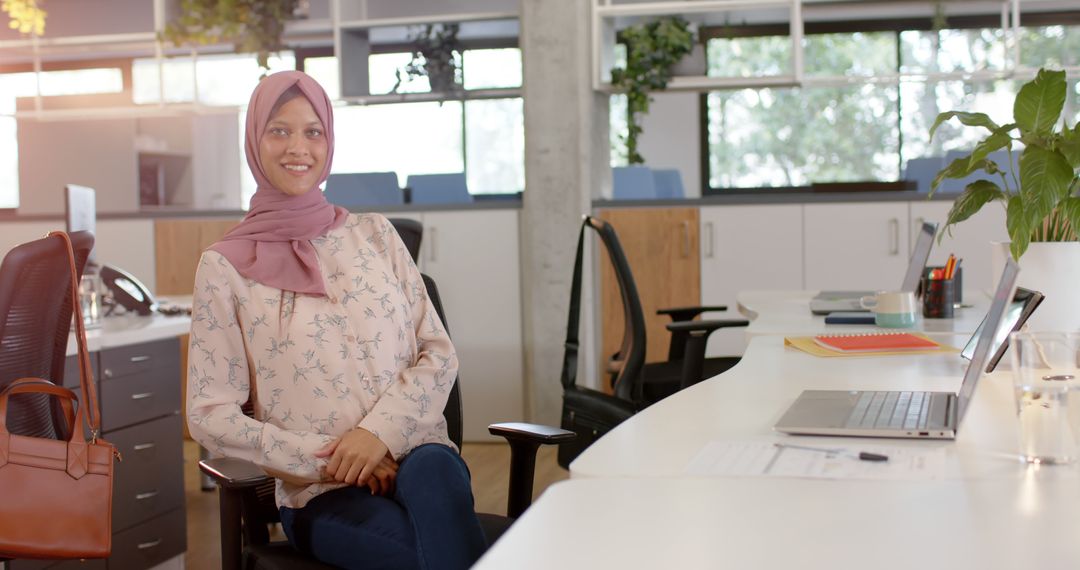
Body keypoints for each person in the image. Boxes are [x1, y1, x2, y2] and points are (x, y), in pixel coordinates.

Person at [186, 70, 487, 570]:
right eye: (278, 130)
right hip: (321, 490)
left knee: (435, 481)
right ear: (253, 140)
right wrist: (337, 459)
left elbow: (437, 351)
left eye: (313, 131)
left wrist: (380, 435)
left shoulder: (376, 236)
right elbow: (209, 414)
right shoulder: (224, 267)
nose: (297, 147)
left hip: (419, 456)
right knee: (431, 555)